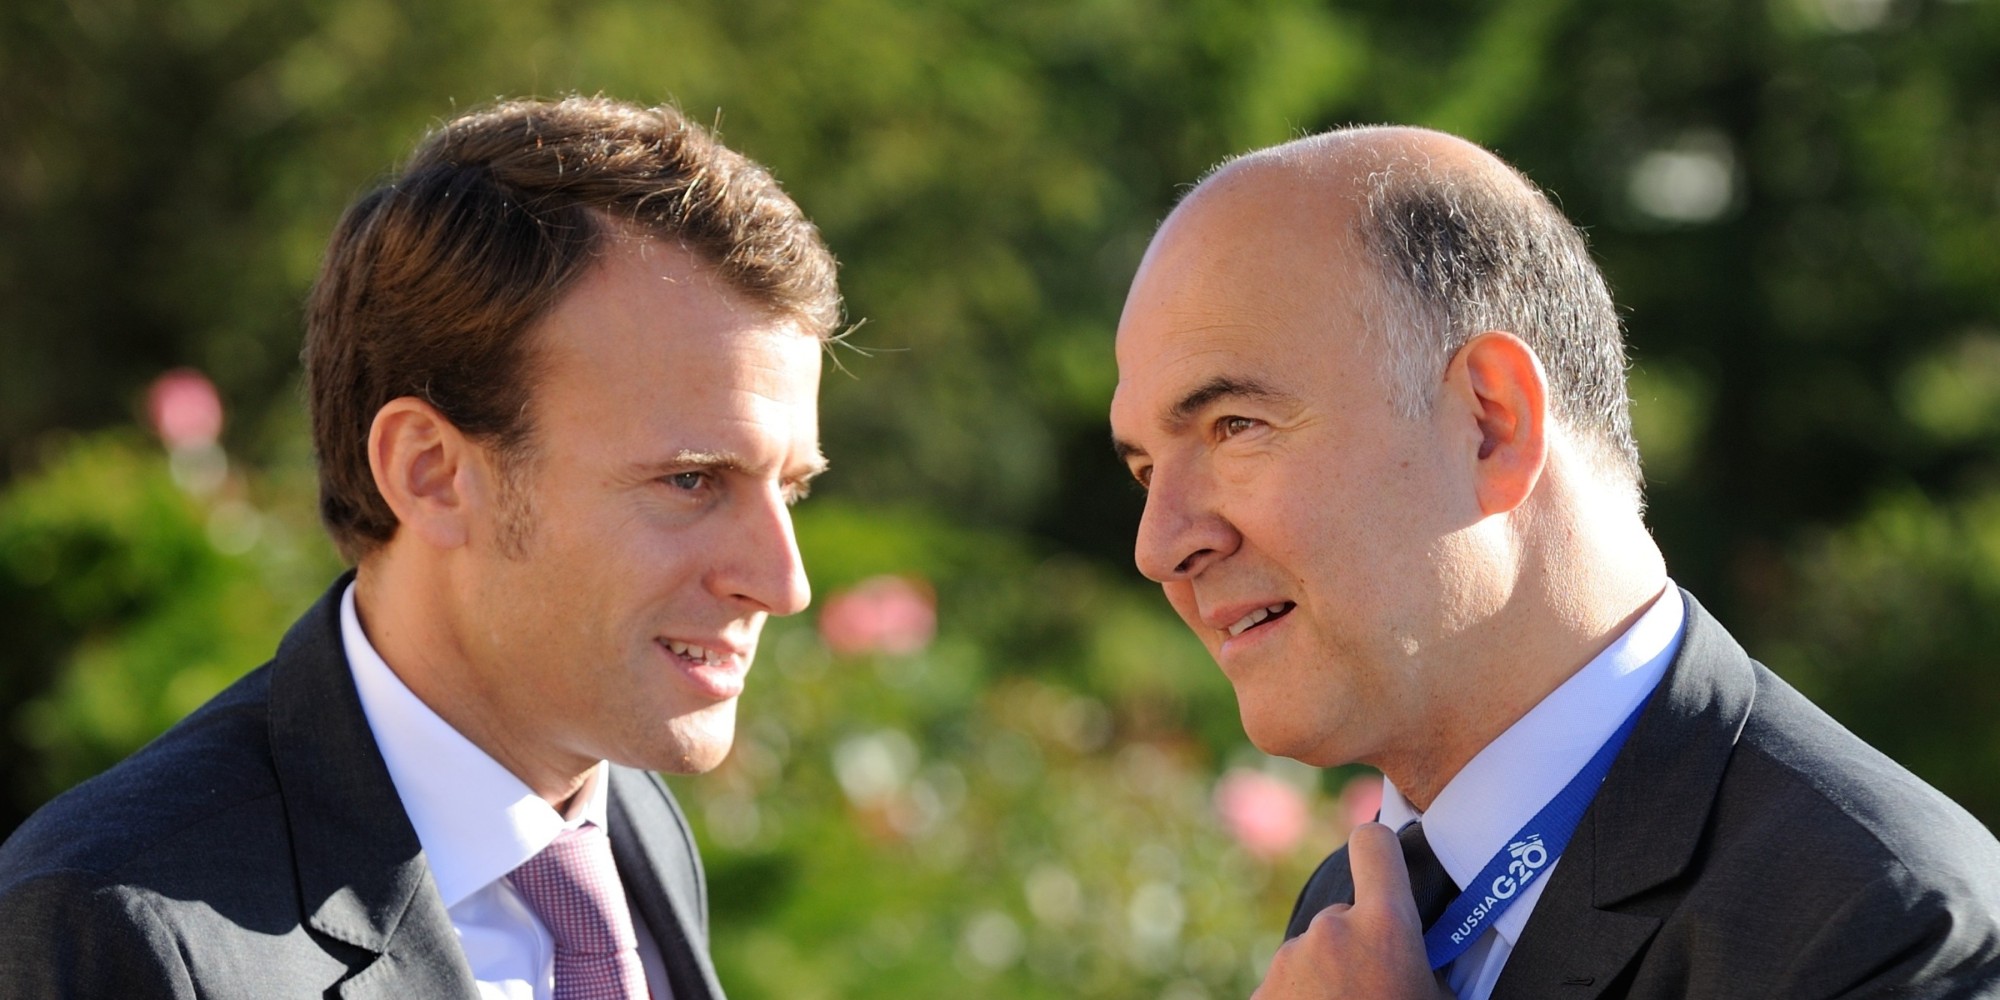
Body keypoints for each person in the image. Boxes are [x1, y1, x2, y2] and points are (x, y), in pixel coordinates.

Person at [1109, 125, 2000, 999]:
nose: (1160, 546)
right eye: (1146, 468)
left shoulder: (1888, 929)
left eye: (1235, 427)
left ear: (1493, 424)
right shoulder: (1356, 909)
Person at [0, 96, 840, 999]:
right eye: (691, 480)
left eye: (789, 487)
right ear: (432, 472)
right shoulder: (117, 924)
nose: (783, 583)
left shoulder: (625, 822)